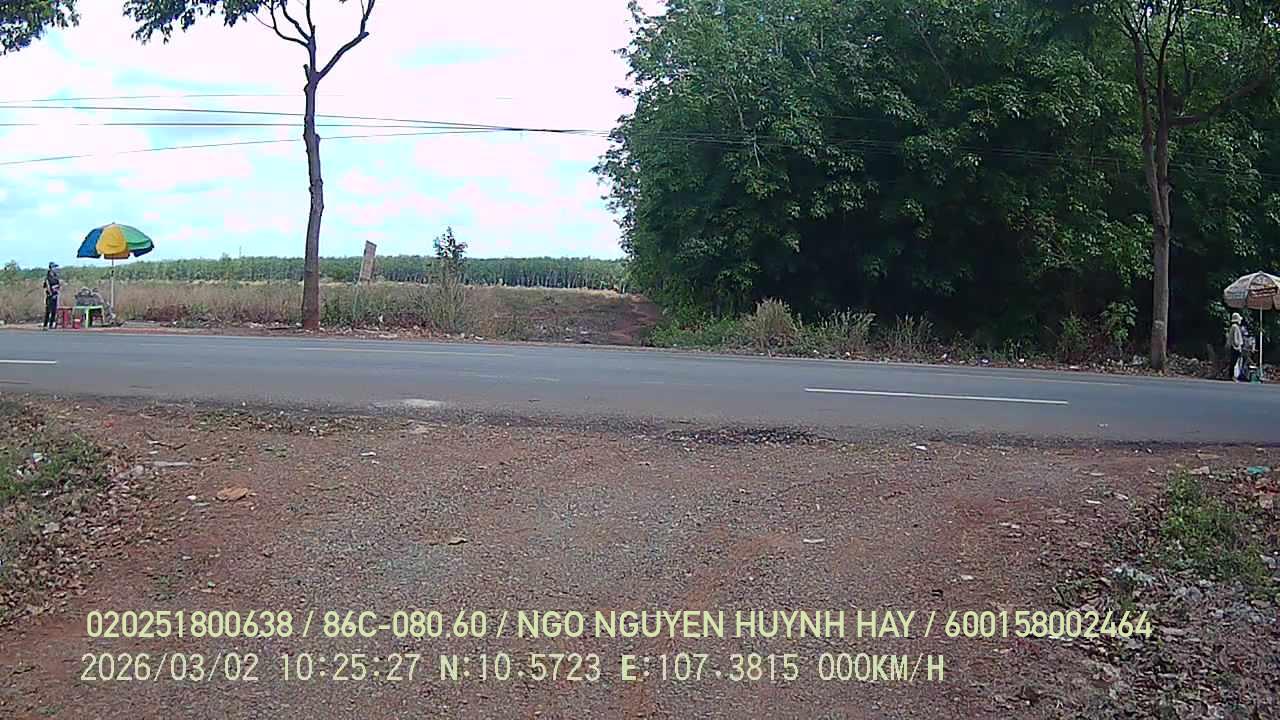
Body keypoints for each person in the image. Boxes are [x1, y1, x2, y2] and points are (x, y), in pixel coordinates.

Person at [42, 263, 61, 330]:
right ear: (51, 268)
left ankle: (51, 325)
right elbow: (46, 286)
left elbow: (58, 286)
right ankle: (45, 325)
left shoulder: (56, 277)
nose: (55, 269)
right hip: (50, 296)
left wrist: (56, 290)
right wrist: (51, 293)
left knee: (54, 311)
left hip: (55, 295)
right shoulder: (47, 278)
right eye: (54, 267)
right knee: (48, 311)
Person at [1227, 312, 1245, 381]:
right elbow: (1235, 339)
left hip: (1234, 347)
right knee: (1234, 362)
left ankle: (1232, 375)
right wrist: (1238, 345)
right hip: (1235, 347)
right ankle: (1232, 376)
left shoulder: (1234, 326)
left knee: (1234, 362)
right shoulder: (1235, 327)